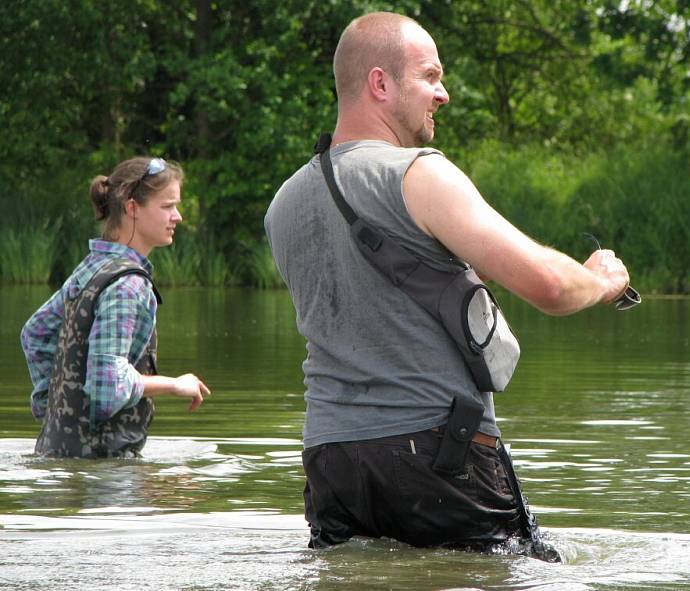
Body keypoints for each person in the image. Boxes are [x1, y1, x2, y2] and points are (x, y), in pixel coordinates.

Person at [264, 12, 630, 558]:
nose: (444, 94)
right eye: (430, 76)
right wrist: (601, 281)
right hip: (437, 452)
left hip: (331, 458)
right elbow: (551, 286)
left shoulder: (283, 203)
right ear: (381, 83)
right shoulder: (418, 173)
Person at [21, 156, 211, 458]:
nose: (178, 216)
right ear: (132, 207)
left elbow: (35, 334)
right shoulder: (128, 284)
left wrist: (57, 413)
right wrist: (174, 384)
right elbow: (108, 387)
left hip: (56, 453)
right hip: (105, 473)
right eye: (167, 206)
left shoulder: (93, 266)